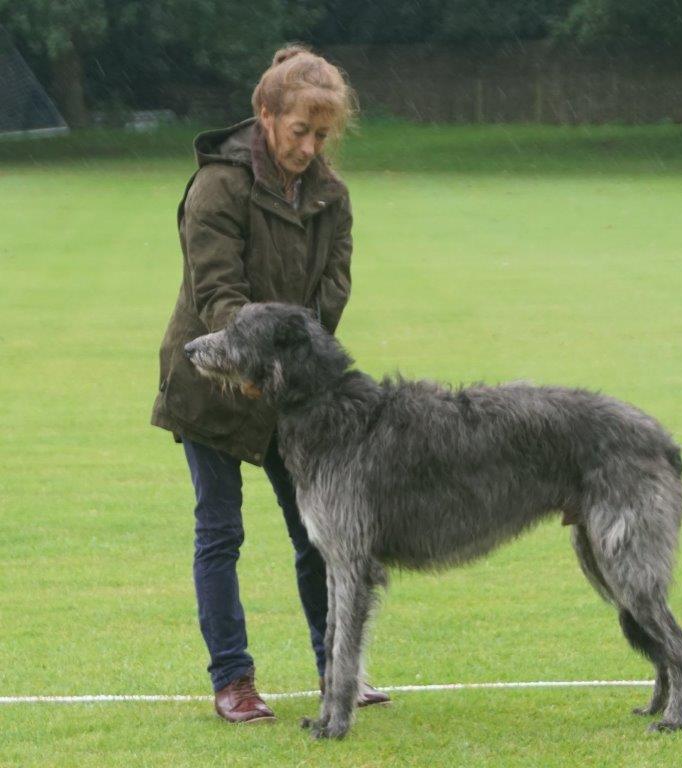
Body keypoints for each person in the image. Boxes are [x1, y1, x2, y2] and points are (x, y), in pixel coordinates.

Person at [150, 45, 389, 723]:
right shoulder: (218, 187)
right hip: (213, 377)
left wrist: (296, 370)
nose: (310, 148)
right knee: (220, 533)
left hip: (293, 391)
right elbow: (216, 292)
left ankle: (334, 668)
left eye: (322, 136)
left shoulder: (331, 196)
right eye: (299, 133)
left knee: (319, 535)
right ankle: (234, 680)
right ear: (265, 115)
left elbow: (332, 291)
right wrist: (251, 364)